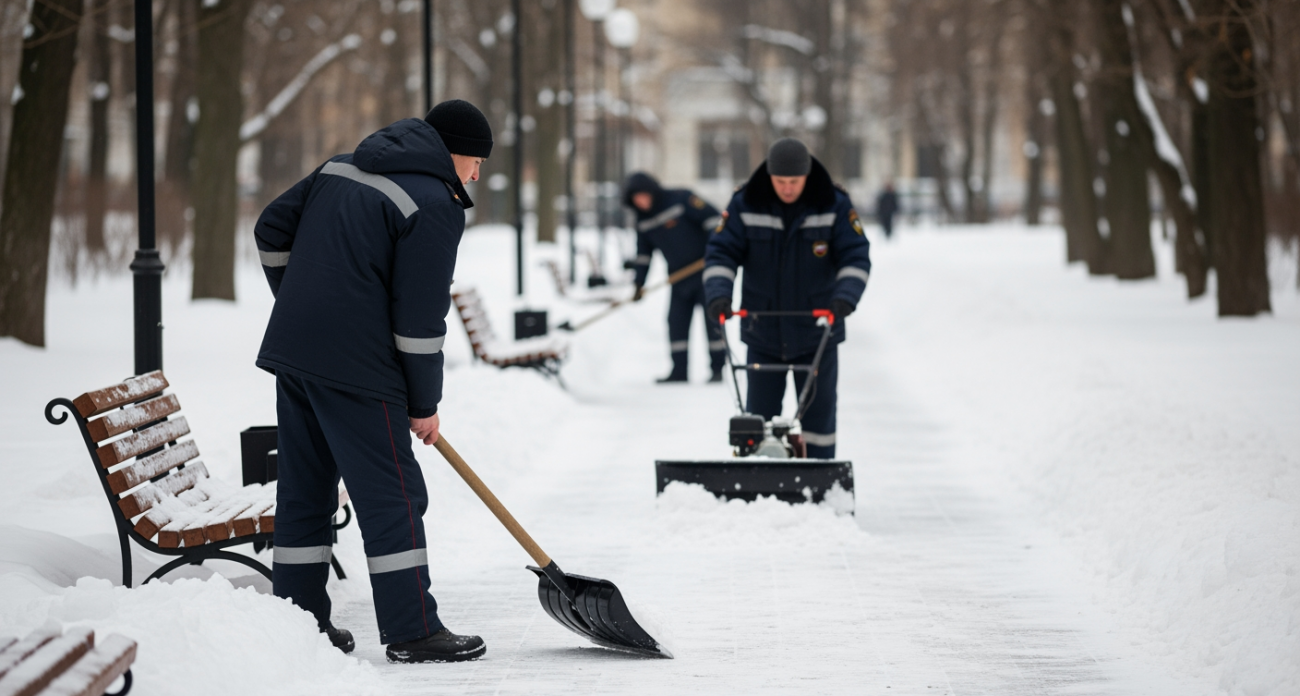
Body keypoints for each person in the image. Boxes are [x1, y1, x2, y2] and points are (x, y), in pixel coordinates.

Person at [253, 99, 491, 664]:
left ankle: (299, 622)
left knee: (304, 492)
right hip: (360, 369)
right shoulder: (435, 204)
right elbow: (419, 322)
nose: (477, 173)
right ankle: (412, 630)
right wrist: (423, 402)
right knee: (394, 497)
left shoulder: (341, 166)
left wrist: (300, 302)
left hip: (296, 352)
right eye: (476, 159)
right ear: (453, 152)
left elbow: (270, 228)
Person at [703, 138, 872, 459]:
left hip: (819, 329)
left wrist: (845, 298)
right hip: (762, 330)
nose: (788, 188)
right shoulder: (746, 203)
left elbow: (856, 256)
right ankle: (754, 484)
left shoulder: (833, 204)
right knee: (758, 418)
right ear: (770, 177)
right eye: (780, 182)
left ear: (806, 176)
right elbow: (720, 253)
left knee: (818, 420)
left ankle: (821, 485)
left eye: (794, 182)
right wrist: (719, 296)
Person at [623, 171, 728, 383]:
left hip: (704, 272)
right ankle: (679, 371)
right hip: (678, 278)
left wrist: (713, 250)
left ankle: (717, 369)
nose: (641, 202)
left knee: (712, 321)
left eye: (644, 196)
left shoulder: (681, 199)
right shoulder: (642, 221)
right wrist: (638, 283)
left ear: (652, 192)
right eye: (636, 199)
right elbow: (643, 255)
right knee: (676, 323)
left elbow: (713, 220)